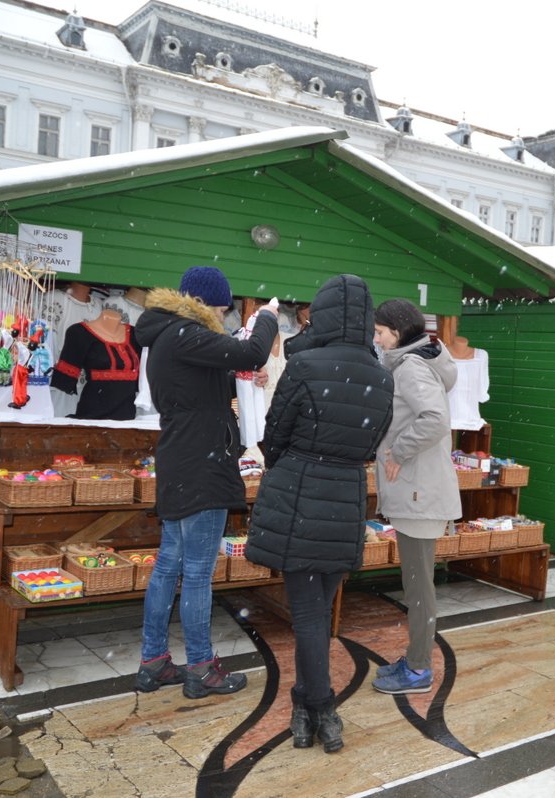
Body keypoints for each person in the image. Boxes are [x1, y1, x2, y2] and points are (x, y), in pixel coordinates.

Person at [245, 274, 393, 754]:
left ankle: (320, 706)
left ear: (322, 315)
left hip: (299, 494)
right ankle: (309, 707)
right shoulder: (381, 373)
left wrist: (295, 459)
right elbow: (372, 441)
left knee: (309, 616)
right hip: (347, 495)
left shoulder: (304, 364)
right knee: (321, 611)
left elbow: (275, 432)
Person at [133, 266, 279, 699]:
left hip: (182, 458)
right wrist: (268, 317)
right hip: (201, 461)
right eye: (219, 308)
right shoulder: (185, 333)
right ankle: (201, 668)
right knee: (196, 573)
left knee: (169, 565)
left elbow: (214, 378)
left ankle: (153, 661)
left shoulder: (169, 336)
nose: (222, 316)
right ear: (202, 303)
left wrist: (243, 379)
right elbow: (252, 350)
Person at [370, 299, 461, 695]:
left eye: (381, 331)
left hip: (419, 492)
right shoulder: (416, 363)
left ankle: (420, 669)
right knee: (416, 584)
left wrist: (398, 451)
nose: (376, 338)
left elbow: (435, 420)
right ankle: (416, 660)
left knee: (419, 588)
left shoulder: (410, 368)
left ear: (399, 332)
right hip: (418, 490)